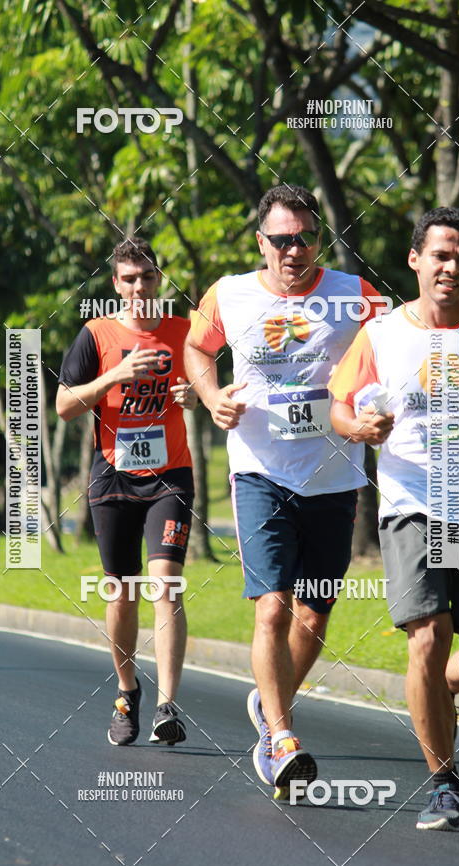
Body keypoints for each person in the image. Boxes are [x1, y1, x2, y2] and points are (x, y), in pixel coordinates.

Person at [329, 207, 459, 830]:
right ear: (416, 259)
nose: (453, 267)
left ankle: (430, 690)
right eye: (441, 254)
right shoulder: (382, 335)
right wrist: (358, 427)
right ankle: (443, 781)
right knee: (428, 633)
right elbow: (340, 407)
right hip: (415, 506)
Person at [184, 184, 383, 791]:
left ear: (318, 239)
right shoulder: (230, 293)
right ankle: (279, 735)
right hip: (259, 473)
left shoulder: (355, 296)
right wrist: (212, 394)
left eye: (305, 238)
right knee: (271, 606)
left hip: (334, 477)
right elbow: (196, 346)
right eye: (281, 240)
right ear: (261, 242)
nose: (294, 251)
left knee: (314, 613)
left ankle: (269, 703)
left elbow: (400, 347)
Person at [56, 238, 197, 746]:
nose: (140, 287)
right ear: (116, 284)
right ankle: (127, 689)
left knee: (166, 585)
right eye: (130, 278)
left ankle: (167, 705)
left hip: (169, 477)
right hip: (113, 477)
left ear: (159, 280)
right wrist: (114, 373)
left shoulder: (184, 331)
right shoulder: (96, 334)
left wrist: (193, 393)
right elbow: (64, 405)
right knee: (122, 591)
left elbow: (208, 385)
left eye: (148, 277)